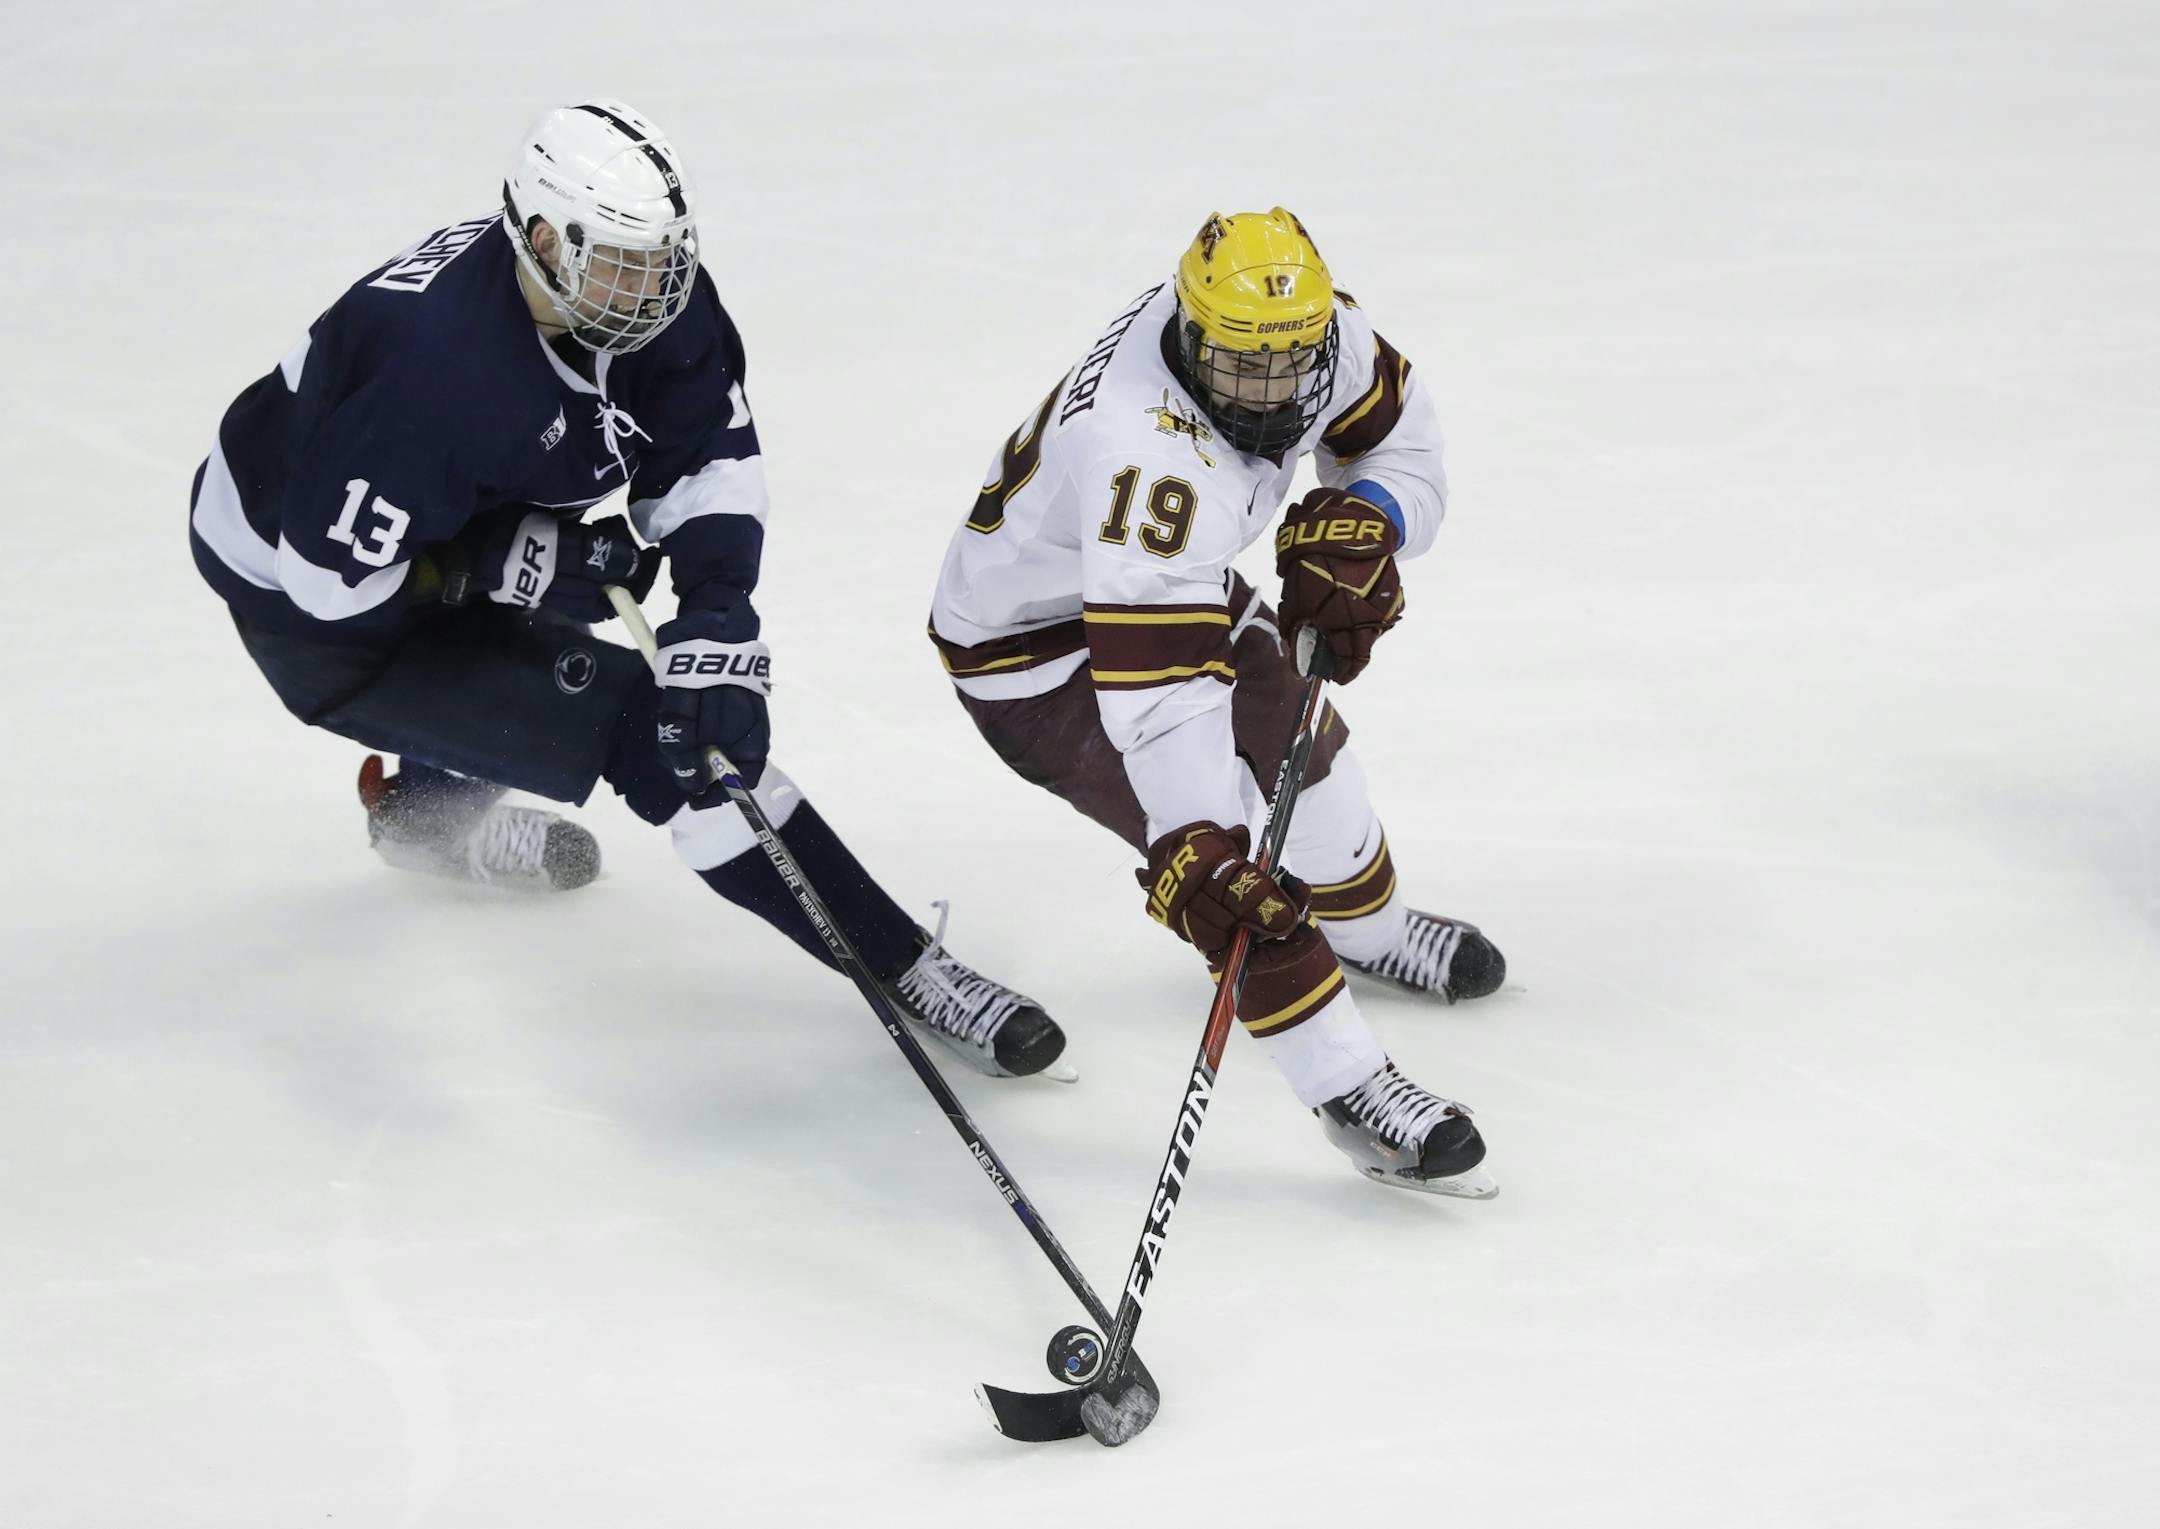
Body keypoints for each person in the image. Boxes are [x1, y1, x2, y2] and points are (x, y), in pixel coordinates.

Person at [188, 97, 1065, 1080]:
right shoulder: (436, 380)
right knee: (653, 735)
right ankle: (905, 963)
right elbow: (329, 584)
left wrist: (716, 618)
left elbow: (710, 463)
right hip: (303, 596)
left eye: (663, 256)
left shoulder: (643, 297)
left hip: (416, 517)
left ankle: (420, 817)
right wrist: (508, 562)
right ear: (540, 239)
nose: (653, 287)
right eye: (621, 260)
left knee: (586, 647)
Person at [928, 208, 1505, 1194]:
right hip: (1034, 653)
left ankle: (1371, 932)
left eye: (1291, 364)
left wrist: (1370, 518)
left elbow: (1405, 451)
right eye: (1243, 366)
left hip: (1170, 583)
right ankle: (1352, 1089)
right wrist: (1195, 836)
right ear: (1193, 339)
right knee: (1234, 877)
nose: (1274, 390)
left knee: (1307, 754)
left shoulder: (1310, 330)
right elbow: (1159, 701)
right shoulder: (1145, 456)